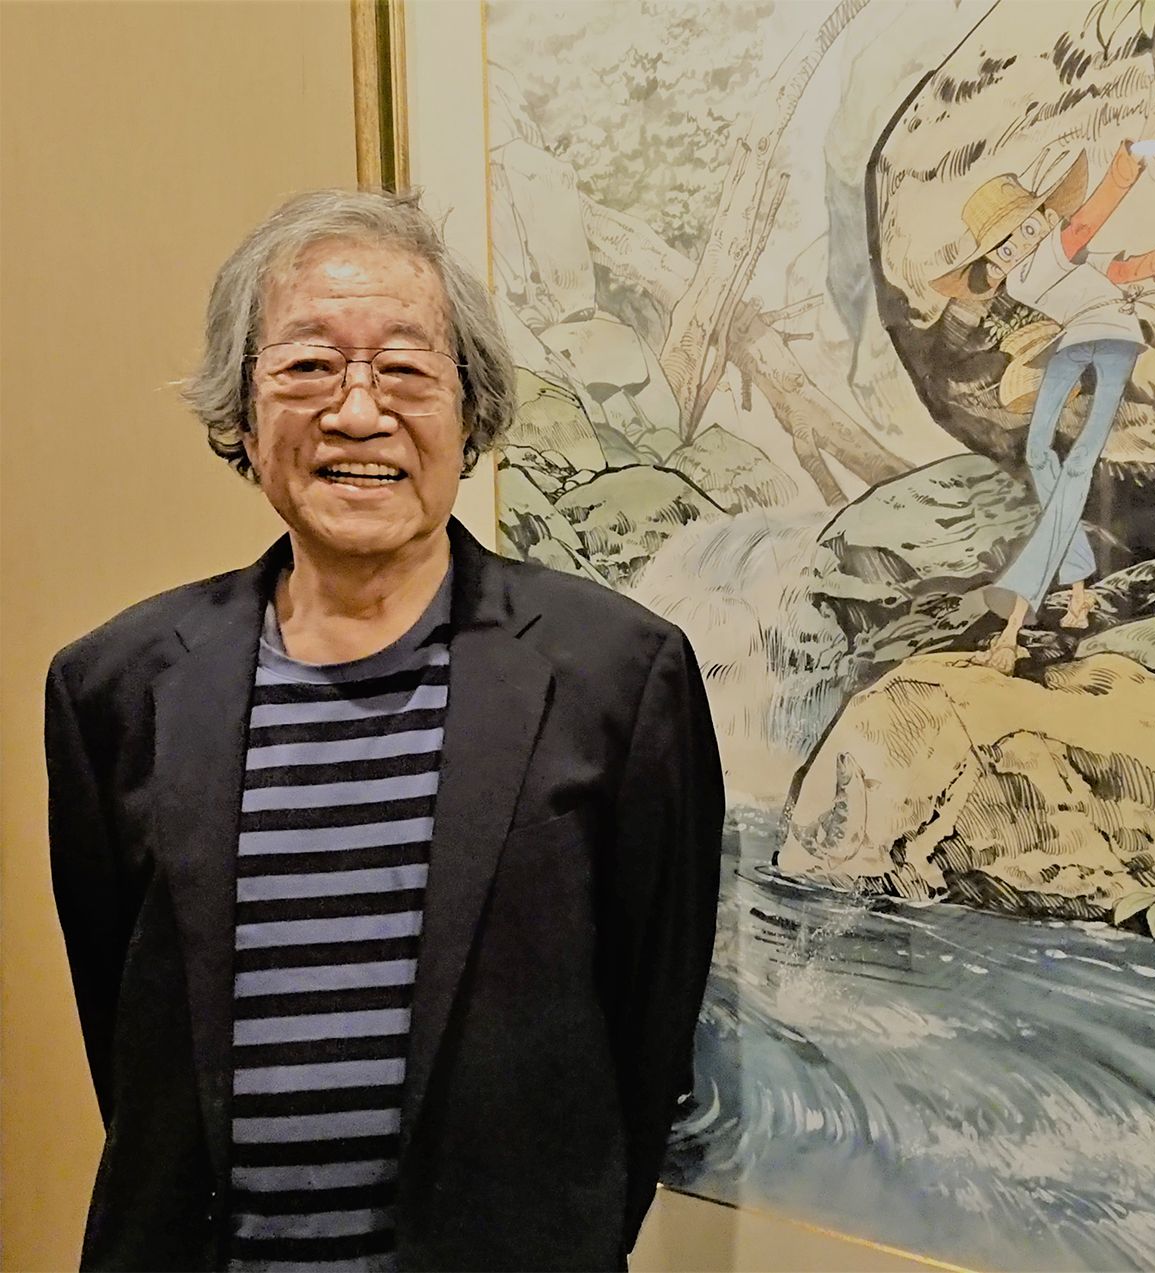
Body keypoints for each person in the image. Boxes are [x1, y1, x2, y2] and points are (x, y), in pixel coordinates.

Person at [45, 188, 725, 1272]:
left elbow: (647, 1038)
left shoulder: (616, 678)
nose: (358, 412)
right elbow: (135, 1053)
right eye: (309, 366)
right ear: (241, 411)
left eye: (406, 369)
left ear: (470, 411)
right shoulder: (115, 691)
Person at [930, 140, 1155, 673]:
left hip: (1113, 342)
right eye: (1003, 247)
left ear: (1046, 218)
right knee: (1038, 451)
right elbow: (1099, 242)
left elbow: (1108, 252)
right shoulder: (1038, 266)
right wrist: (1127, 182)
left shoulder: (1057, 251)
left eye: (1028, 227)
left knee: (1076, 464)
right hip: (1072, 342)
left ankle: (1015, 619)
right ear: (992, 268)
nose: (1020, 244)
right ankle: (1077, 589)